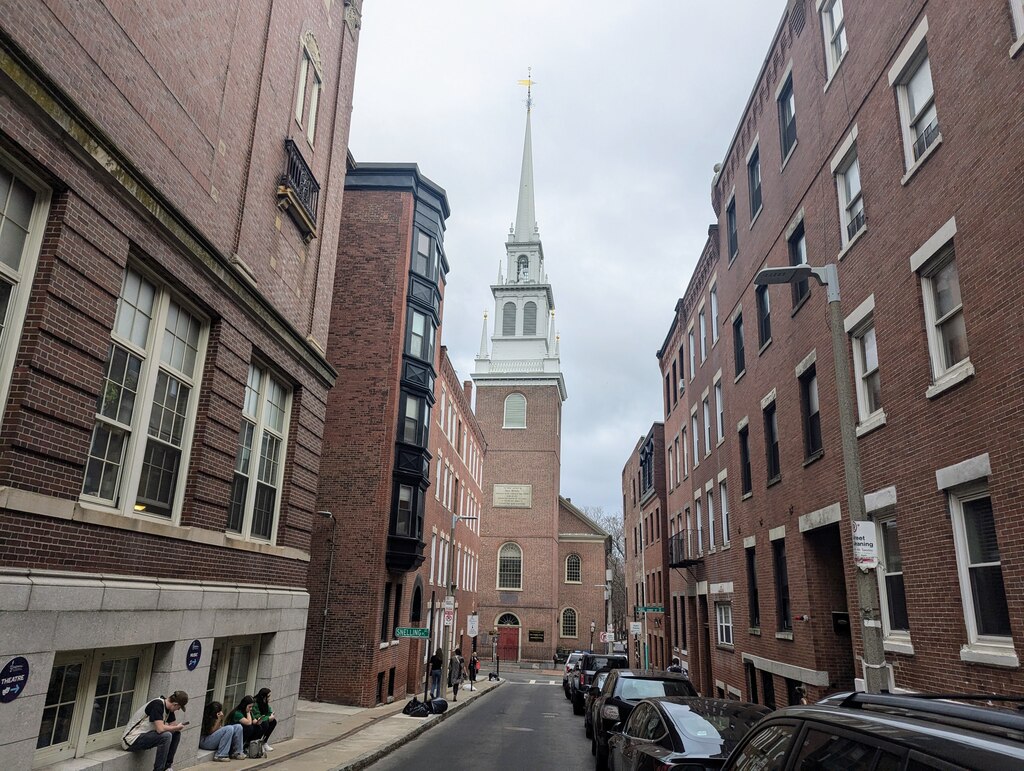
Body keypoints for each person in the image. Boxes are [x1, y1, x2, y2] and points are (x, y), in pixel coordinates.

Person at [121, 689, 188, 771]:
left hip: (145, 736)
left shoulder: (169, 709)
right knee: (166, 736)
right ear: (175, 704)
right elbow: (160, 729)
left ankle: (167, 767)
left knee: (176, 733)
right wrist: (176, 727)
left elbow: (173, 727)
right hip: (131, 740)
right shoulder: (157, 704)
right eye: (179, 707)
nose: (178, 710)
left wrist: (176, 728)